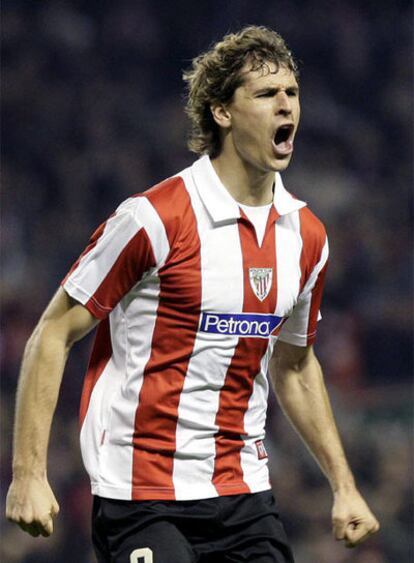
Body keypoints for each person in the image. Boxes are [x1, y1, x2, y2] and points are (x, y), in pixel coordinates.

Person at [6, 25, 379, 563]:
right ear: (222, 112)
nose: (286, 105)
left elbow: (294, 368)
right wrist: (28, 474)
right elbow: (53, 331)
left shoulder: (307, 237)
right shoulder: (155, 218)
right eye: (266, 94)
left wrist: (343, 485)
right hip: (142, 494)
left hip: (243, 493)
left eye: (292, 93)